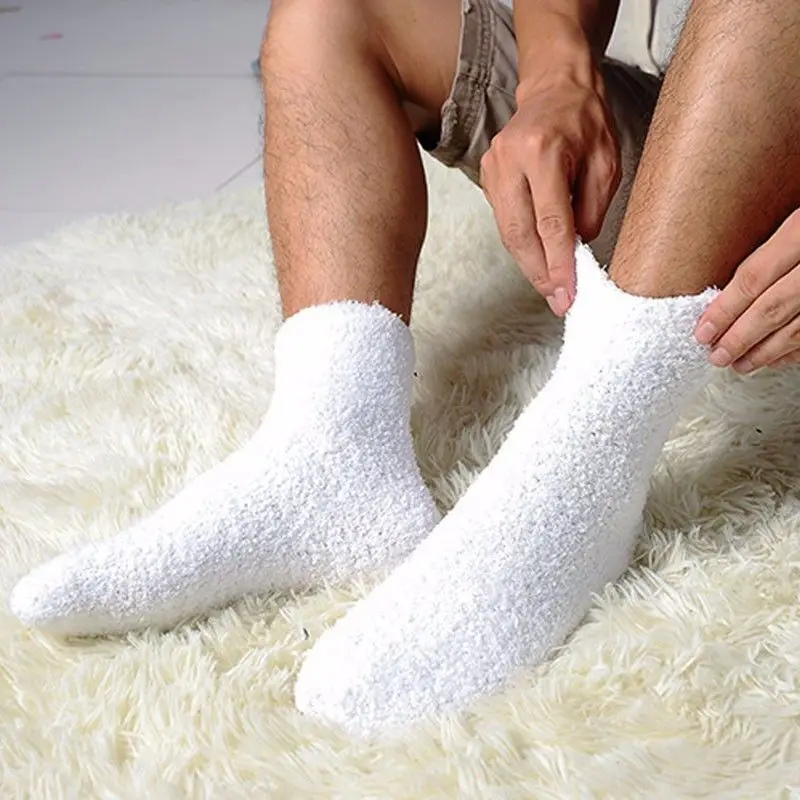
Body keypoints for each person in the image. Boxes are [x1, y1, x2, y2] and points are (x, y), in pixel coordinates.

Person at [10, 0, 800, 734]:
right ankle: (329, 451)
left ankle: (588, 454)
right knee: (334, 13)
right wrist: (556, 76)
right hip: (702, 111)